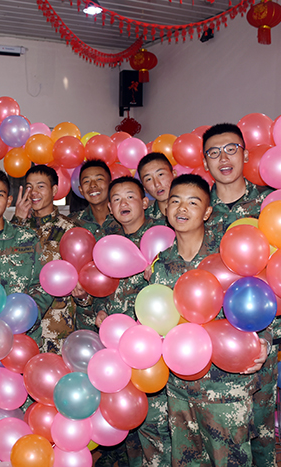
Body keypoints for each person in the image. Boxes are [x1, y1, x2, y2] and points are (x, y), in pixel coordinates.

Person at [149, 174, 267, 466]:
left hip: (225, 388)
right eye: (175, 201)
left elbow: (257, 306)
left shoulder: (227, 258)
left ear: (207, 212)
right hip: (179, 387)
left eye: (193, 202)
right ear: (166, 209)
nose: (182, 208)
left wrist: (263, 343)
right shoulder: (160, 265)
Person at [201, 123, 279, 466]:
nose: (223, 158)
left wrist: (268, 338)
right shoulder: (198, 206)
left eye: (231, 149)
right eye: (214, 152)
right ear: (205, 162)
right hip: (211, 335)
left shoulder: (270, 204)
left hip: (260, 332)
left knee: (259, 434)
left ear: (245, 154)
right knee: (216, 439)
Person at [96, 176, 167, 467]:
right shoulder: (107, 244)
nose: (123, 203)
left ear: (145, 202)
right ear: (110, 208)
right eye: (116, 199)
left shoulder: (163, 240)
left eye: (130, 196)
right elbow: (101, 289)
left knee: (157, 433)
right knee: (130, 436)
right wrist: (99, 310)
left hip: (151, 354)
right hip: (116, 353)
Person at [0, 168, 53, 347]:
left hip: (21, 339)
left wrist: (27, 317)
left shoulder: (27, 238)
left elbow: (43, 284)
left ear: (8, 201)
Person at [11, 165, 88, 353]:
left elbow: (86, 287)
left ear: (54, 190)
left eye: (40, 186)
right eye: (29, 187)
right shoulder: (16, 227)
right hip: (20, 327)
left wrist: (83, 296)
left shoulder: (71, 230)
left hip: (57, 331)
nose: (33, 192)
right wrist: (17, 221)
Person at [69, 160, 123, 332]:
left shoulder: (125, 219)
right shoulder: (72, 225)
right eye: (86, 181)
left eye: (99, 179)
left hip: (123, 312)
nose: (93, 185)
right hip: (87, 317)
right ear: (80, 190)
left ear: (110, 183)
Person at [137, 152, 176, 225]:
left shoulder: (194, 209)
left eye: (160, 174)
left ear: (174, 174)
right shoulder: (143, 221)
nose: (157, 184)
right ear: (145, 188)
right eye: (149, 179)